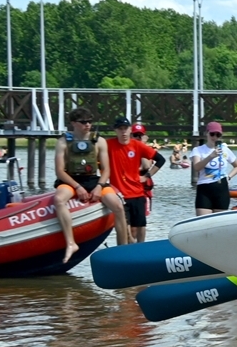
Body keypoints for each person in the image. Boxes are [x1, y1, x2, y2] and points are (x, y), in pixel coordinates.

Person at [53, 108, 128, 261]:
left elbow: (106, 170)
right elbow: (60, 171)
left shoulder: (99, 141)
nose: (87, 125)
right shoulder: (63, 142)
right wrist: (78, 187)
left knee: (118, 206)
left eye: (89, 121)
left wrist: (99, 186)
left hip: (93, 179)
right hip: (71, 180)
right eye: (83, 122)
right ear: (74, 123)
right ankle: (71, 243)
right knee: (59, 200)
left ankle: (123, 248)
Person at [104, 116, 165, 244]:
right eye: (120, 129)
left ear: (130, 129)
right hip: (119, 196)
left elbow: (160, 159)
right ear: (115, 130)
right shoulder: (108, 144)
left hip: (137, 192)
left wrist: (147, 176)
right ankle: (127, 249)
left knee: (141, 225)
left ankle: (141, 248)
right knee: (125, 232)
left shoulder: (137, 145)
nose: (123, 132)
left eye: (125, 128)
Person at [189, 121, 237, 216]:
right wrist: (211, 156)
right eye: (212, 134)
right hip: (204, 189)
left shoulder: (225, 149)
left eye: (218, 135)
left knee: (219, 222)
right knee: (203, 221)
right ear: (206, 133)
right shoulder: (198, 150)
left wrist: (228, 177)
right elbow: (197, 167)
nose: (215, 137)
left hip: (221, 189)